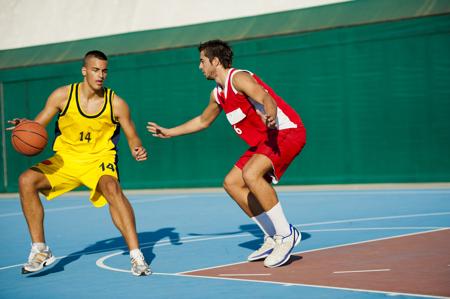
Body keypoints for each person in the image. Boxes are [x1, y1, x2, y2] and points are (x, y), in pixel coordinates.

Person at [147, 40, 306, 268]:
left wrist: (270, 115)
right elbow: (203, 121)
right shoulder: (218, 94)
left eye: (202, 61)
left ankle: (286, 234)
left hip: (286, 131)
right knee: (232, 183)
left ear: (215, 61)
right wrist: (170, 132)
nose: (199, 67)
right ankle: (273, 236)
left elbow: (266, 98)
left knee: (251, 175)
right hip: (264, 141)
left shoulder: (238, 78)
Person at [7, 50, 151, 276]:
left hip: (99, 160)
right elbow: (39, 123)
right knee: (26, 180)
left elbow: (132, 134)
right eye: (95, 70)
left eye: (104, 71)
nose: (100, 75)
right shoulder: (62, 96)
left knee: (112, 188)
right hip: (65, 160)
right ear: (84, 71)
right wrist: (26, 127)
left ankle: (136, 256)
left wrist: (137, 148)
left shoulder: (116, 103)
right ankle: (40, 250)